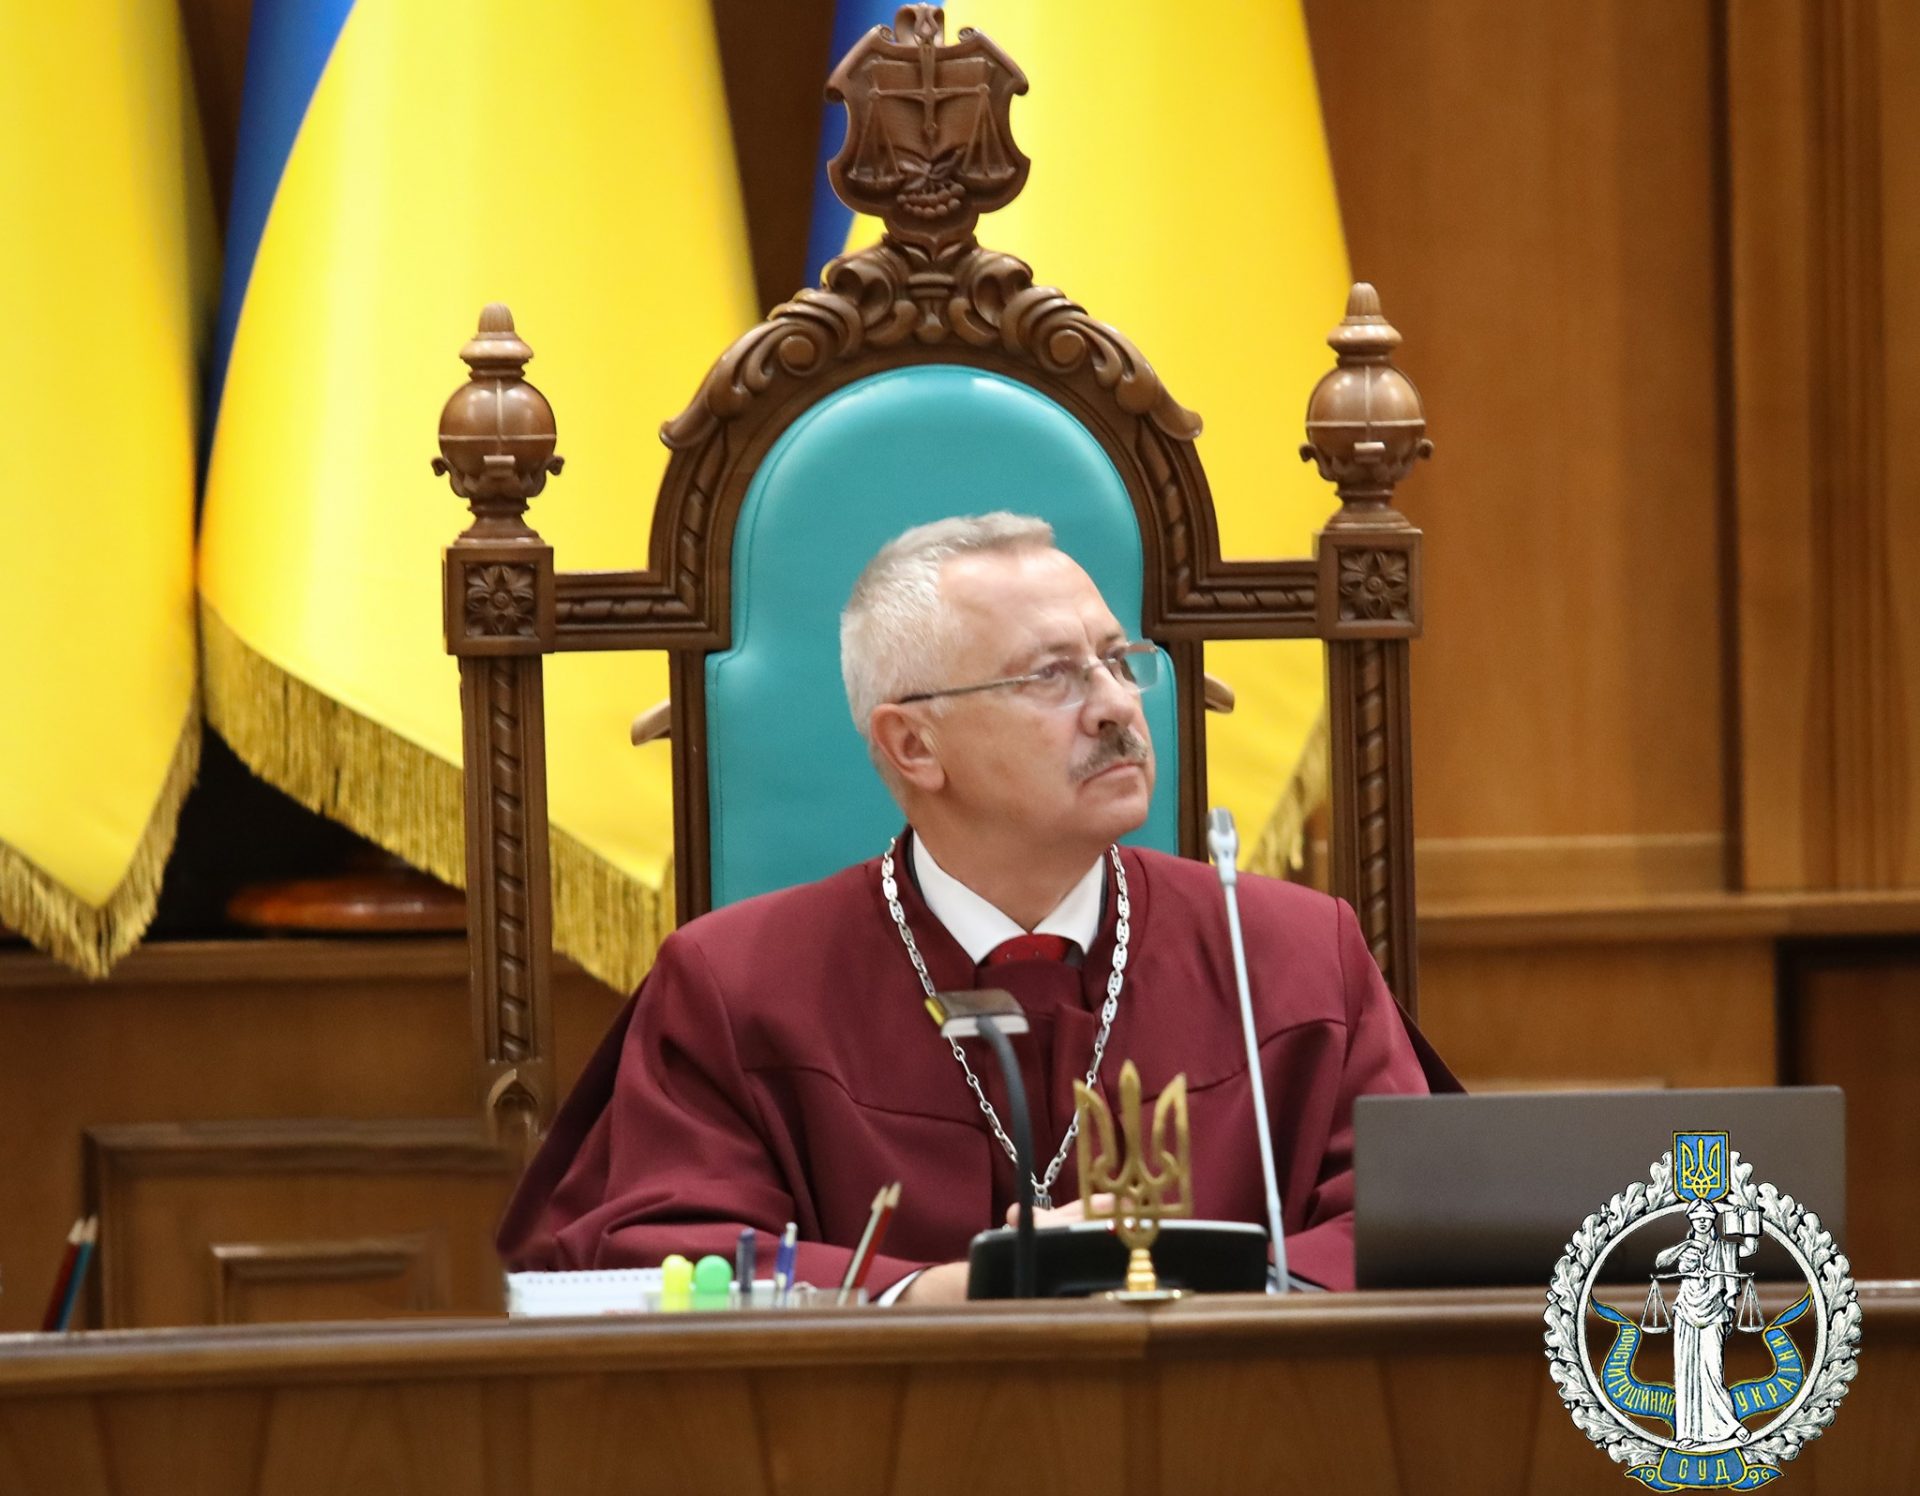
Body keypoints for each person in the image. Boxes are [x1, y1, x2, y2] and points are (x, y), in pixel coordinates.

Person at [498, 513, 1455, 1301]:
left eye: (1119, 660)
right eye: (1052, 676)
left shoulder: (1297, 954)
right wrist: (938, 1295)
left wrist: (1193, 1291)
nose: (1117, 706)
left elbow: (1423, 1224)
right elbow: (658, 1258)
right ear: (912, 745)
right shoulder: (732, 986)